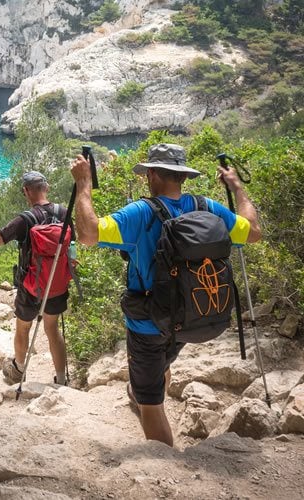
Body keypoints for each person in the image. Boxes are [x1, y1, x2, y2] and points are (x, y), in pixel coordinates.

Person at [70, 143, 262, 447]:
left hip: (148, 325)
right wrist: (237, 187)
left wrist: (83, 185)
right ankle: (155, 389)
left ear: (152, 175)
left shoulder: (141, 213)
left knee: (149, 401)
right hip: (190, 315)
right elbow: (253, 230)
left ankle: (165, 460)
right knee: (162, 364)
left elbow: (88, 233)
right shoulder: (207, 208)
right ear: (182, 177)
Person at [0, 171, 72, 386]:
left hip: (31, 286)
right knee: (52, 328)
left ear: (27, 191)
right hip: (56, 282)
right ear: (47, 188)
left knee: (23, 326)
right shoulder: (64, 212)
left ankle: (18, 369)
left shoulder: (25, 220)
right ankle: (61, 379)